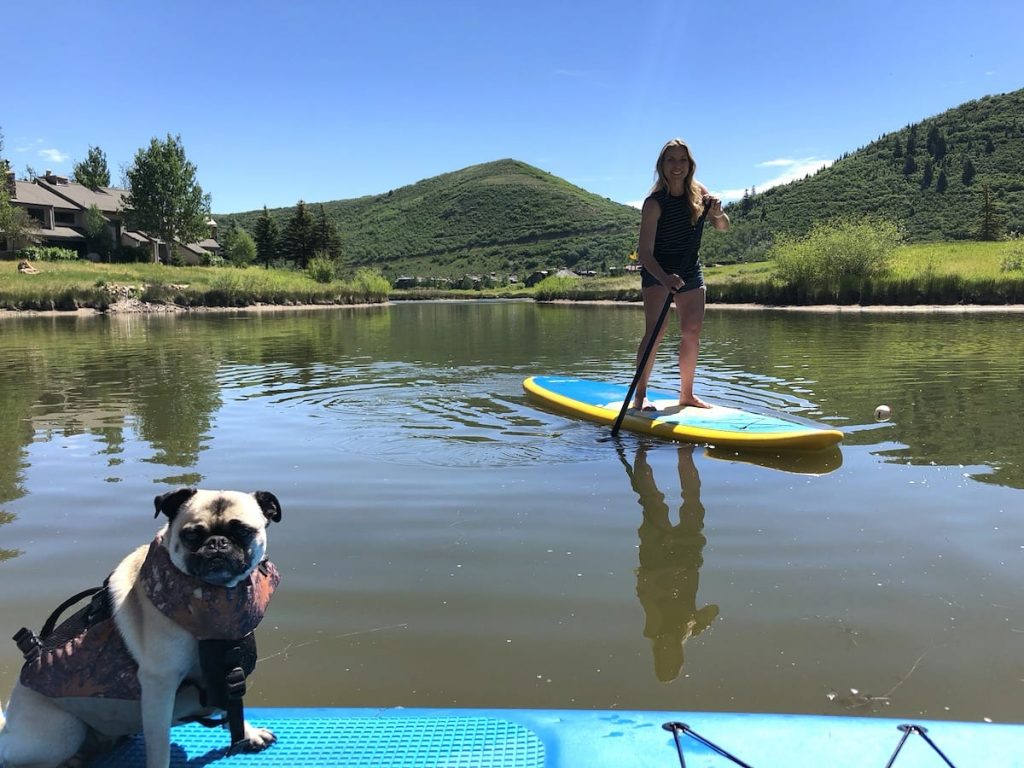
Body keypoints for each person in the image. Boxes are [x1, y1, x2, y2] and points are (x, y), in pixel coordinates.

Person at [634, 138, 729, 411]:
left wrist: (719, 212)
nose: (677, 166)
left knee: (692, 330)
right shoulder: (654, 203)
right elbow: (644, 253)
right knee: (656, 330)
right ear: (662, 165)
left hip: (689, 272)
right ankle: (640, 396)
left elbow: (722, 227)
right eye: (671, 160)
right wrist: (664, 278)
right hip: (658, 272)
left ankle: (686, 395)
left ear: (690, 165)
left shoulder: (700, 194)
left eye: (682, 160)